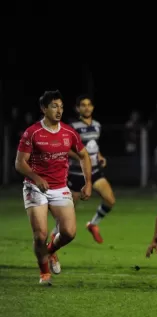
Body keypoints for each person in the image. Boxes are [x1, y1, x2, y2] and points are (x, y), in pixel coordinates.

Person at [15, 90, 92, 285]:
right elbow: (19, 163)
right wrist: (35, 177)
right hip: (35, 187)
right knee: (39, 234)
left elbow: (84, 156)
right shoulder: (32, 133)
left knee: (69, 233)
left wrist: (88, 182)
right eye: (54, 106)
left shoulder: (68, 132)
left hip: (59, 188)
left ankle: (50, 252)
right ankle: (44, 274)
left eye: (61, 106)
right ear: (43, 109)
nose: (59, 110)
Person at [50, 94, 115, 244]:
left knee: (110, 200)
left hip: (95, 171)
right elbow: (64, 148)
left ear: (92, 107)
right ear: (77, 108)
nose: (86, 107)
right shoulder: (72, 127)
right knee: (68, 212)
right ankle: (54, 235)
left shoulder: (97, 125)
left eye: (89, 105)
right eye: (83, 105)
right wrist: (80, 157)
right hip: (77, 173)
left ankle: (92, 224)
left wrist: (100, 156)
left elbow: (93, 145)